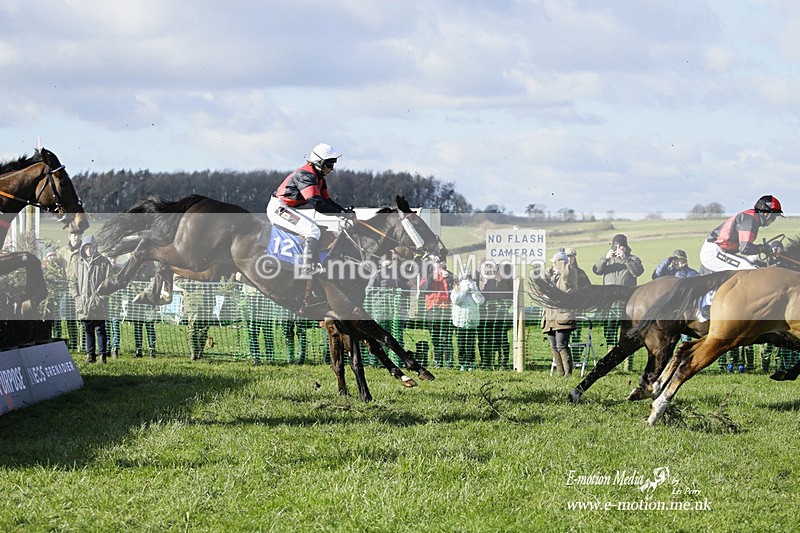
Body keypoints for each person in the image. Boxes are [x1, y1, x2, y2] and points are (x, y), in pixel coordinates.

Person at [266, 143, 355, 278]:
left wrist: (343, 211)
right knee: (312, 230)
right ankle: (305, 269)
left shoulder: (319, 179)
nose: (332, 169)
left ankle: (313, 263)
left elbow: (327, 201)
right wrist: (341, 214)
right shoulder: (305, 175)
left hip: (287, 207)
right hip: (278, 208)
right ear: (319, 163)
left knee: (317, 229)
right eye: (330, 165)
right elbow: (317, 204)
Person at [592, 234, 644, 370]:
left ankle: (628, 365)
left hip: (628, 302)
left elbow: (637, 272)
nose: (618, 248)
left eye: (621, 246)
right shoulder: (608, 260)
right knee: (610, 332)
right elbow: (596, 270)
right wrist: (605, 258)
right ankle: (611, 364)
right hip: (609, 302)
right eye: (616, 246)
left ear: (626, 247)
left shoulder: (633, 259)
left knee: (629, 332)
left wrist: (625, 259)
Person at [700, 194, 783, 272]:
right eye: (774, 216)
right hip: (714, 253)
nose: (774, 220)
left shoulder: (751, 217)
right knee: (751, 270)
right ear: (766, 213)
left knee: (752, 266)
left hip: (721, 252)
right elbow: (745, 248)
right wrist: (762, 249)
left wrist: (761, 249)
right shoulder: (750, 219)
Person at [69, 235, 112, 363]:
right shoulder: (78, 263)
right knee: (87, 330)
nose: (89, 250)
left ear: (95, 248)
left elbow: (110, 282)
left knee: (100, 329)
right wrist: (77, 297)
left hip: (99, 303)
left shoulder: (104, 262)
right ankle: (90, 354)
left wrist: (102, 297)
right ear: (83, 248)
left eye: (91, 247)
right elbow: (72, 282)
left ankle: (102, 355)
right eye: (86, 247)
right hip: (83, 303)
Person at [542, 251, 578, 376]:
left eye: (555, 262)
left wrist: (560, 261)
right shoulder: (553, 276)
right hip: (550, 316)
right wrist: (547, 275)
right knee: (554, 346)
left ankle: (568, 374)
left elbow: (567, 274)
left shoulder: (570, 272)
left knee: (561, 345)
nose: (553, 264)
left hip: (563, 315)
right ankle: (560, 373)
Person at [419, 260, 455, 367]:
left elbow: (455, 284)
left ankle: (449, 362)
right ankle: (438, 360)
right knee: (435, 337)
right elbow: (423, 288)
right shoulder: (427, 276)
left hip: (445, 309)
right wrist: (432, 276)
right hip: (432, 309)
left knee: (447, 337)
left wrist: (447, 276)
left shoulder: (448, 276)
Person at [479, 261, 513, 369]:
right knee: (485, 339)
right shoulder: (482, 268)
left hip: (500, 313)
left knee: (502, 338)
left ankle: (504, 362)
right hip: (484, 313)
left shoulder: (506, 269)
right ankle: (486, 362)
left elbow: (511, 293)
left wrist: (504, 306)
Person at [450, 268, 485, 371]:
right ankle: (462, 363)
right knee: (461, 344)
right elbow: (455, 300)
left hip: (472, 322)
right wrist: (464, 290)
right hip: (460, 322)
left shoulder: (475, 289)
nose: (467, 281)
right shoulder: (456, 289)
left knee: (470, 344)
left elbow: (480, 301)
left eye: (469, 278)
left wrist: (474, 291)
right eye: (465, 278)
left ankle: (470, 363)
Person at [56, 229, 83, 351]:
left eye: (78, 235)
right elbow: (56, 267)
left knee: (78, 317)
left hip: (79, 289)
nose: (76, 238)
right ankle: (64, 343)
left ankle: (78, 344)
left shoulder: (84, 251)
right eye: (74, 235)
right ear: (69, 236)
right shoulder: (62, 252)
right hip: (64, 288)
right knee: (65, 316)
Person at [564, 247, 591, 362]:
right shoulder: (559, 273)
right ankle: (565, 360)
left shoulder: (581, 274)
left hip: (577, 309)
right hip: (563, 310)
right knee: (563, 335)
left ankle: (575, 359)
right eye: (567, 257)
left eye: (572, 257)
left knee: (576, 335)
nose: (570, 259)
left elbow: (588, 289)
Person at [177, 277, 214, 360]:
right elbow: (177, 279)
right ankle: (194, 353)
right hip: (192, 300)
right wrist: (191, 284)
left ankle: (200, 352)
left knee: (204, 329)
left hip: (208, 300)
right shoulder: (185, 264)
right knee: (192, 329)